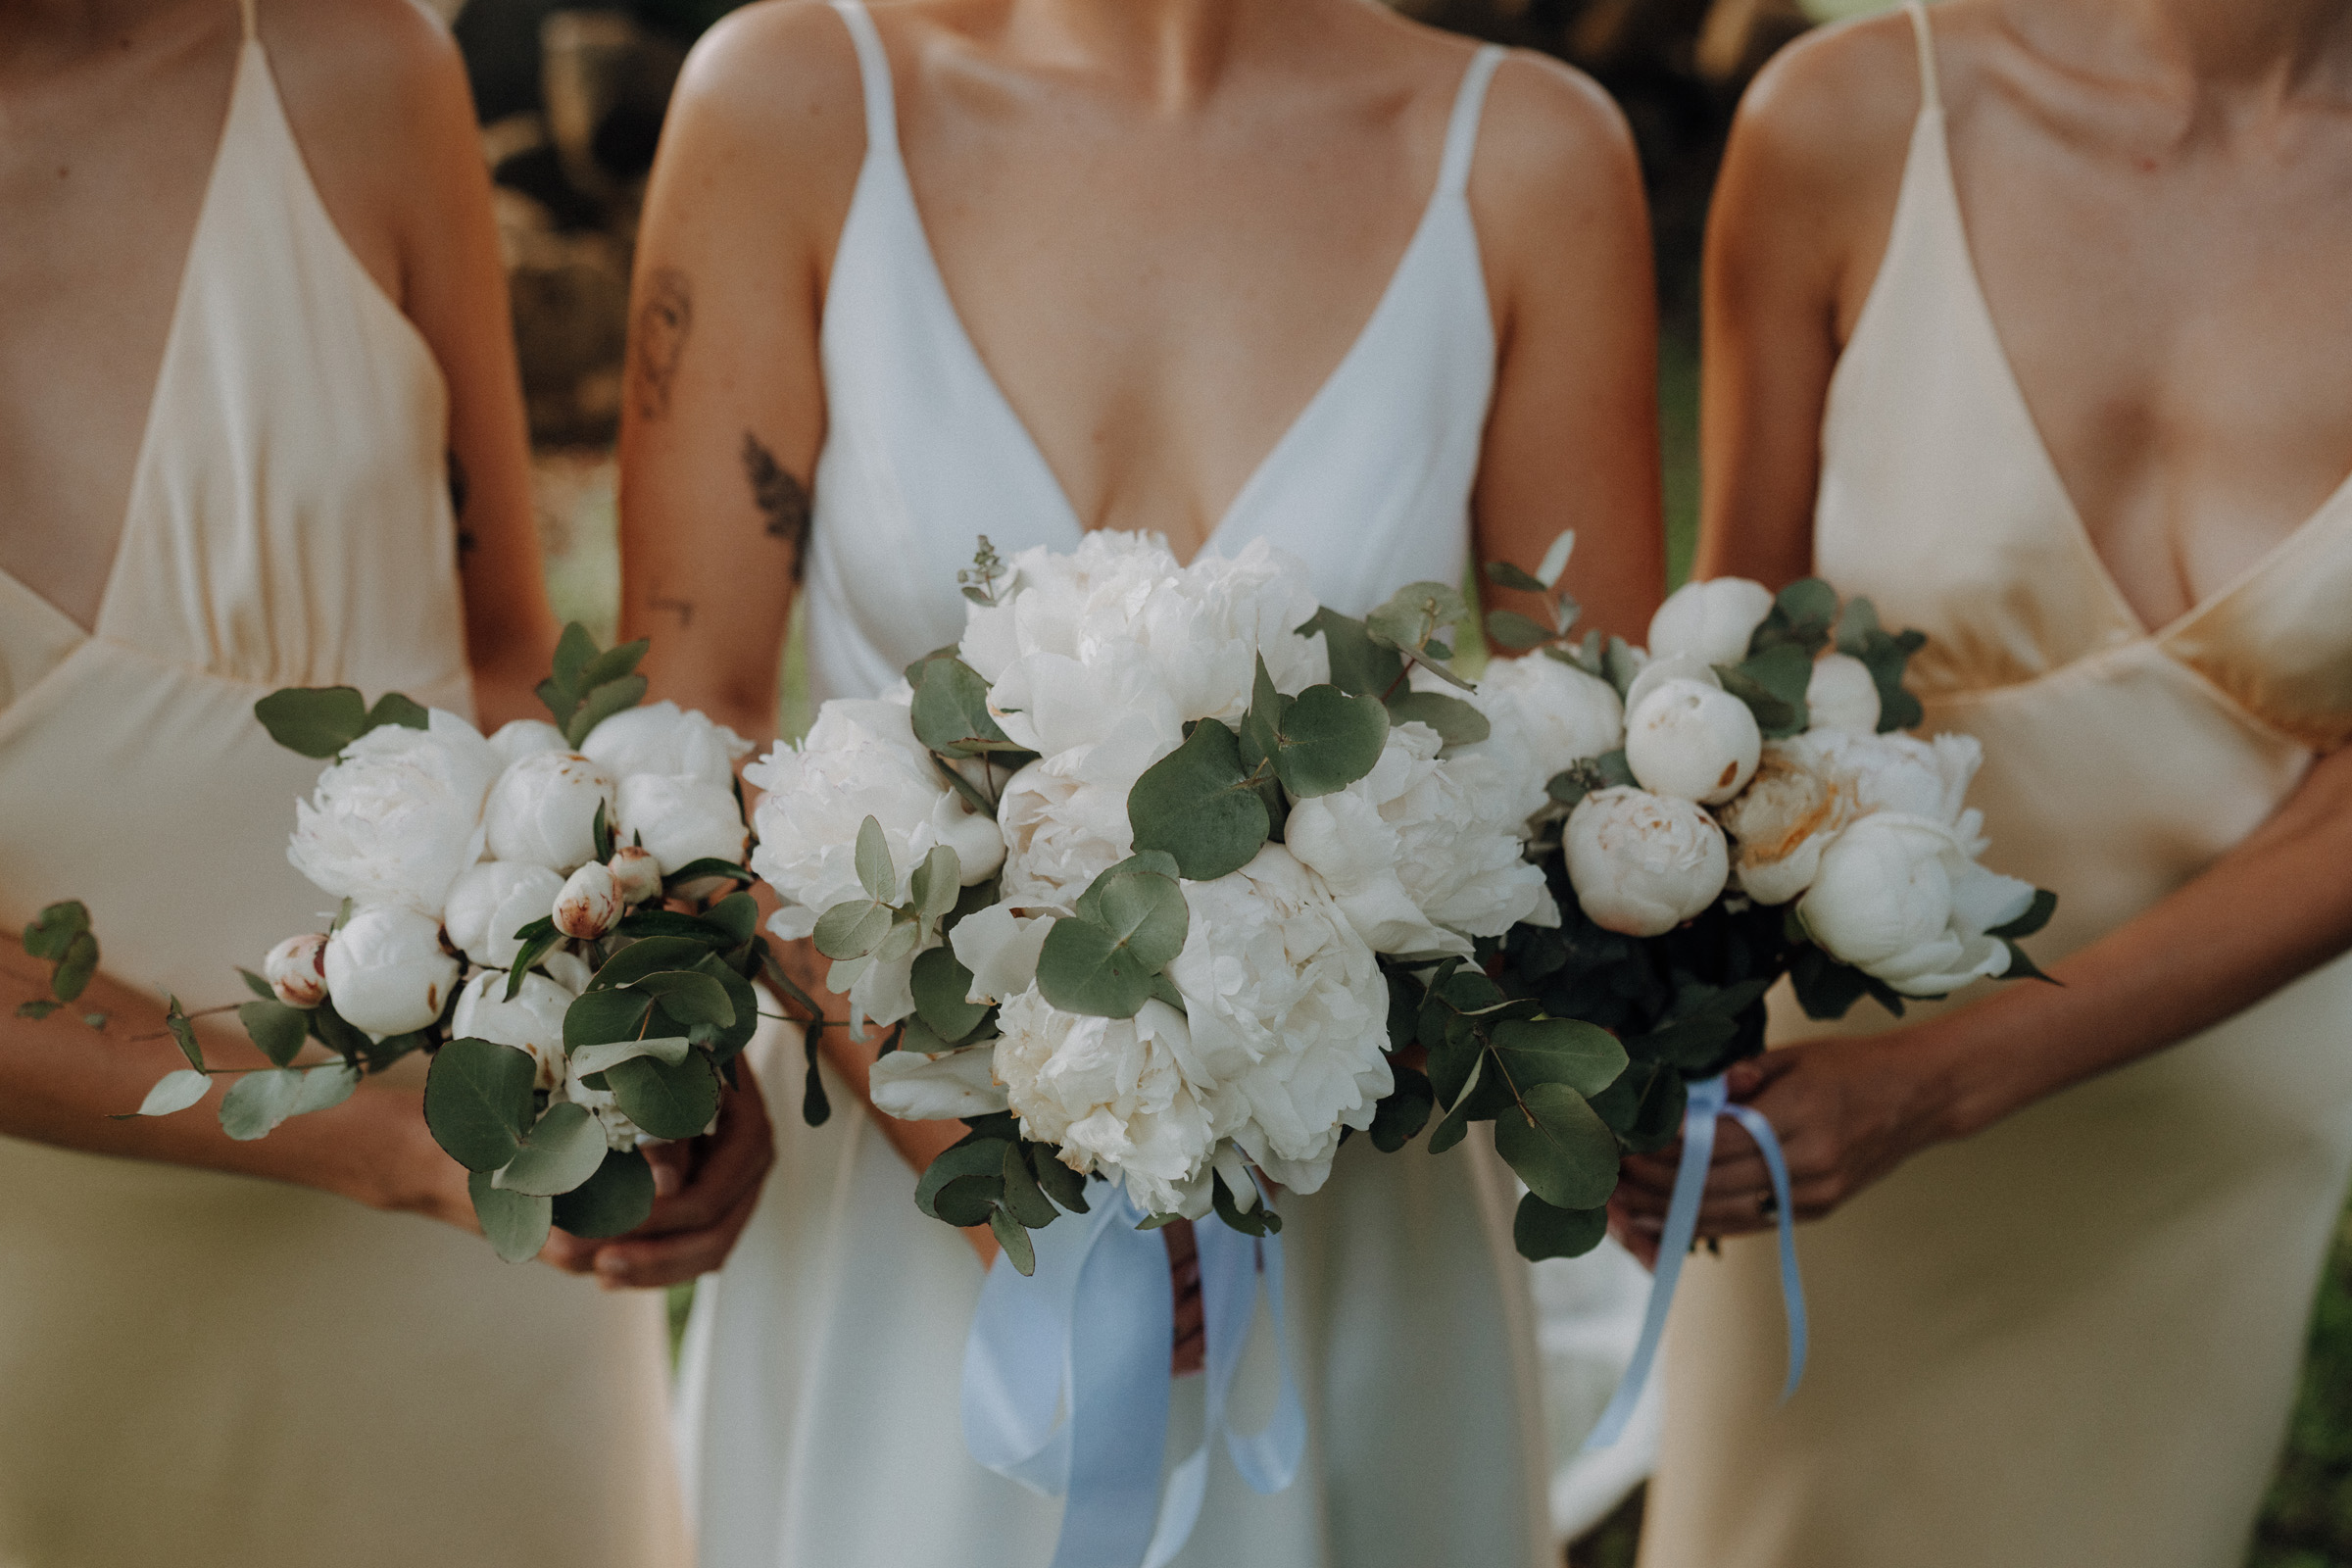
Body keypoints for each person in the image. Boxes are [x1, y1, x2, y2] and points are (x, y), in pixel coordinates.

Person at [619, 0, 1665, 1562]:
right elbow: (680, 725)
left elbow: (1590, 774)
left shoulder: (1526, 155)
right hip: (909, 1229)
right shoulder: (800, 103)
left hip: (1348, 1219)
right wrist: (969, 1154)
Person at [0, 2, 762, 1561]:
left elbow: (499, 654)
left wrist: (648, 982)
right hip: (62, 1300)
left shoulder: (356, 71)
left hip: (487, 1244)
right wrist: (378, 1142)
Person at [1616, 2, 2352, 1563]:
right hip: (1814, 1111)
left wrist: (1942, 1087)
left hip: (2204, 1108)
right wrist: (1635, 1041)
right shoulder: (1852, 120)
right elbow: (1723, 677)